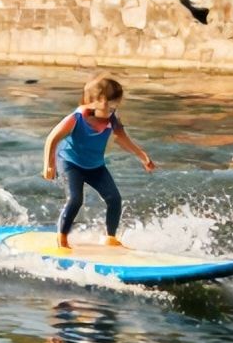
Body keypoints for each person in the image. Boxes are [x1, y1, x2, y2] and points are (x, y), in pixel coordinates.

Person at [41, 74, 156, 252]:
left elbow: (122, 138)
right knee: (75, 199)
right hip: (71, 163)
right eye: (112, 103)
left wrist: (142, 155)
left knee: (114, 199)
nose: (115, 107)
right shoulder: (76, 118)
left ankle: (110, 238)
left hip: (95, 166)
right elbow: (52, 138)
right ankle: (62, 238)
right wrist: (49, 165)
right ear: (100, 100)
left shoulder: (112, 119)